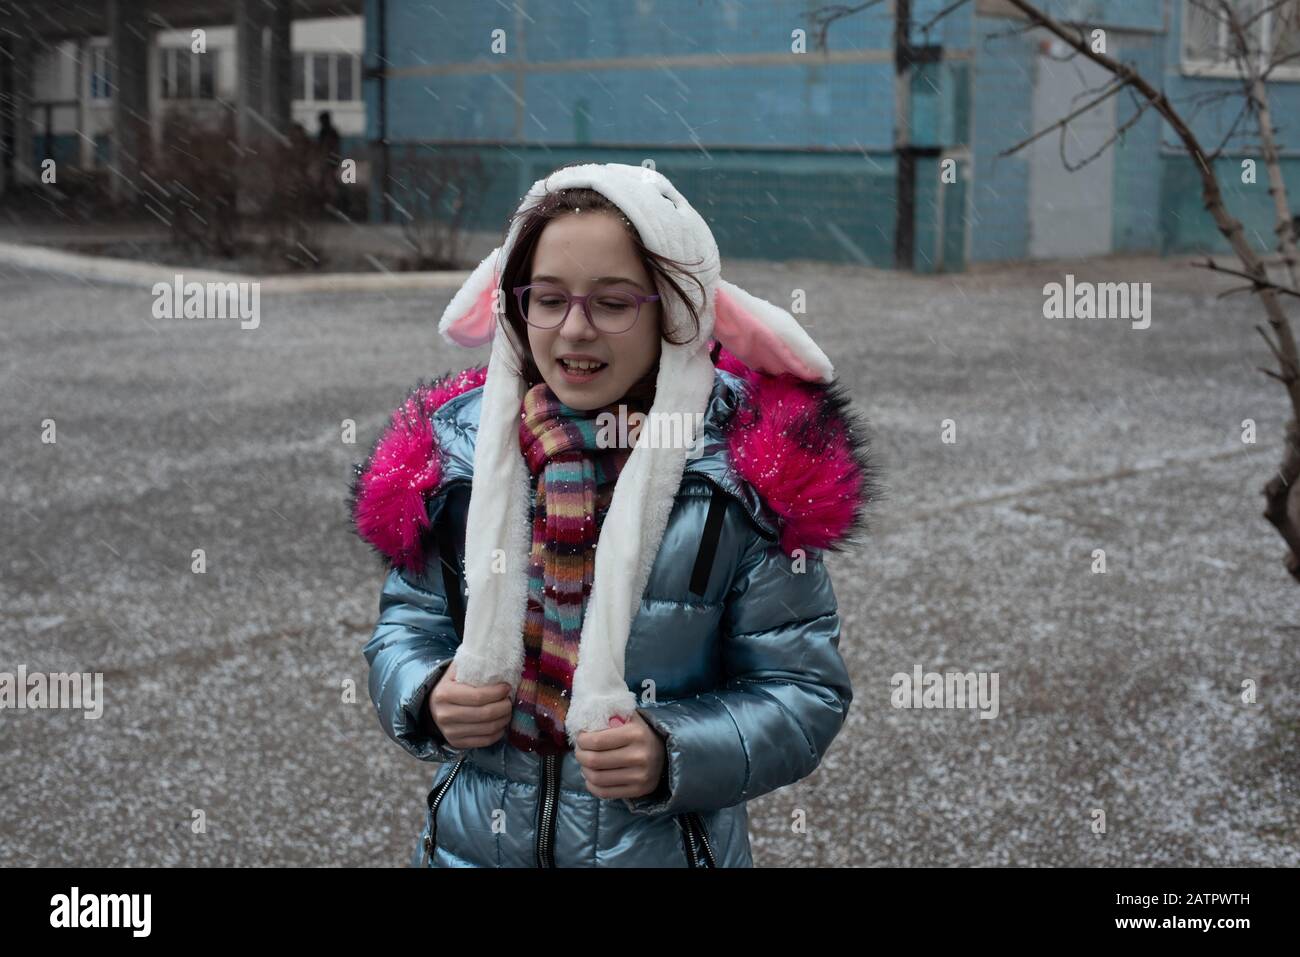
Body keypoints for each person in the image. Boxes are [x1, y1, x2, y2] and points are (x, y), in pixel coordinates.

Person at [349, 162, 879, 867]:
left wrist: (673, 748)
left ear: (675, 306)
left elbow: (802, 691)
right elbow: (404, 628)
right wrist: (424, 692)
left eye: (612, 301)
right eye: (549, 298)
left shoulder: (740, 477)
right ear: (514, 304)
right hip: (472, 849)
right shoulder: (459, 461)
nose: (575, 330)